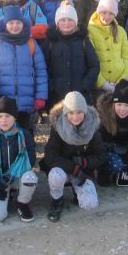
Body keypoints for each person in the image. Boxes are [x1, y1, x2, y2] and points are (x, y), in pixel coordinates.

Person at [0, 5, 48, 133]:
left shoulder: (31, 43)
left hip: (27, 102)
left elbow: (41, 71)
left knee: (26, 135)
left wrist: (40, 96)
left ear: (23, 24)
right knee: (5, 137)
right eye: (11, 23)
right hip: (4, 103)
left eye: (18, 22)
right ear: (5, 24)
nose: (15, 26)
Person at [42, 92, 104, 223]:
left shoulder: (92, 127)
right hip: (63, 168)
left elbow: (101, 155)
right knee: (55, 176)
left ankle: (78, 192)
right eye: (71, 113)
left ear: (85, 112)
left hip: (84, 171)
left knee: (90, 205)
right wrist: (74, 168)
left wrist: (85, 162)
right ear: (65, 113)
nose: (75, 117)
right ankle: (57, 200)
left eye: (79, 112)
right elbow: (50, 156)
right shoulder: (58, 127)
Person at [0, 97, 38, 222]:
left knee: (30, 177)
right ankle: (4, 196)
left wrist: (11, 175)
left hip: (17, 176)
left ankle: (22, 203)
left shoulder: (24, 134)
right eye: (0, 116)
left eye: (8, 116)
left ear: (15, 117)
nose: (4, 120)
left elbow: (31, 159)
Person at [42, 1, 100, 109]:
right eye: (63, 20)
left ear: (76, 22)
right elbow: (42, 67)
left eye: (70, 20)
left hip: (80, 95)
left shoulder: (83, 40)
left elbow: (94, 65)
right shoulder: (50, 42)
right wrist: (52, 86)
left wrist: (85, 85)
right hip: (57, 97)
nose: (66, 23)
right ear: (57, 22)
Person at [87, 0, 128, 103]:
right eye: (104, 12)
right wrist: (103, 83)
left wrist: (122, 80)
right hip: (100, 85)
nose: (107, 17)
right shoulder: (90, 31)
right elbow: (90, 60)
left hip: (119, 83)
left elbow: (127, 56)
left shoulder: (121, 31)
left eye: (111, 13)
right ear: (99, 11)